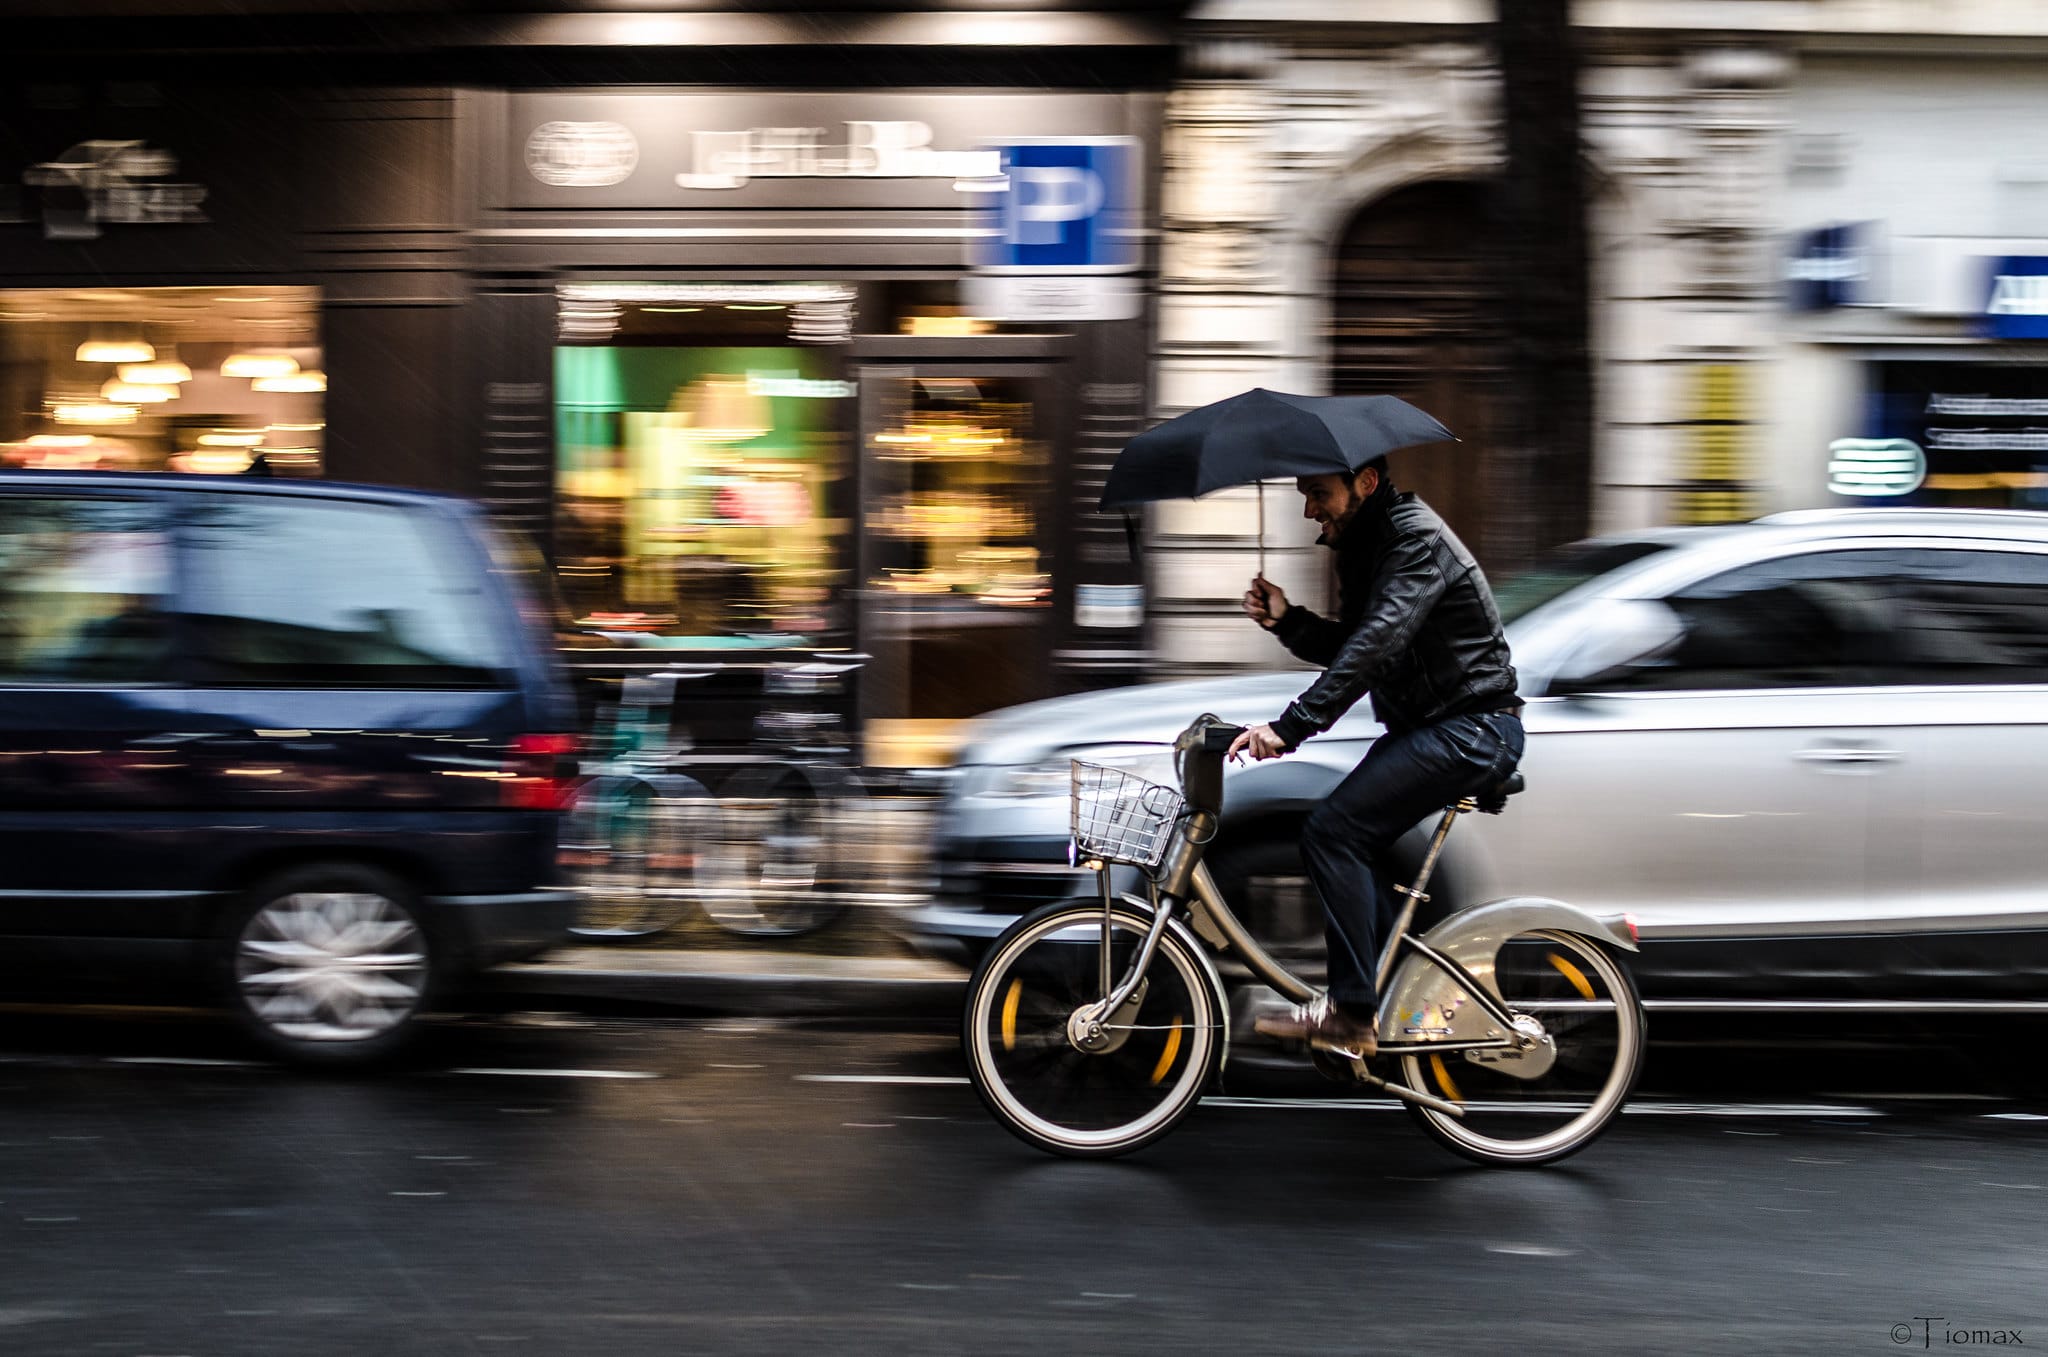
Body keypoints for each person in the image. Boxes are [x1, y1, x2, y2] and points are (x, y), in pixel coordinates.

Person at [1226, 456, 1523, 1059]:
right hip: (1437, 728)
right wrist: (1288, 621)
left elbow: (1374, 646)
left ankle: (1353, 1014)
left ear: (1364, 483)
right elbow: (1357, 646)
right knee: (1354, 848)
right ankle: (1388, 997)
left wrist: (1292, 727)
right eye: (1303, 494)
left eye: (1318, 493)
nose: (1309, 508)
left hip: (1471, 729)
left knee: (1333, 833)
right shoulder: (1371, 543)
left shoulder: (1414, 541)